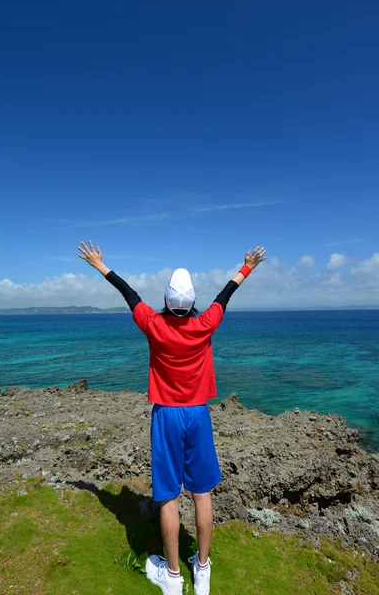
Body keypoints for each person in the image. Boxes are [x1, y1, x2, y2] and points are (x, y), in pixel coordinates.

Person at [77, 240, 267, 595]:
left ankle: (174, 578)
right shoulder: (206, 324)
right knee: (202, 494)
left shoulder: (152, 325)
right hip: (198, 415)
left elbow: (128, 293)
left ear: (165, 301)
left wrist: (100, 265)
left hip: (166, 416)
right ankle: (203, 569)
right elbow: (225, 296)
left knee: (167, 496)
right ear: (193, 302)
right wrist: (247, 266)